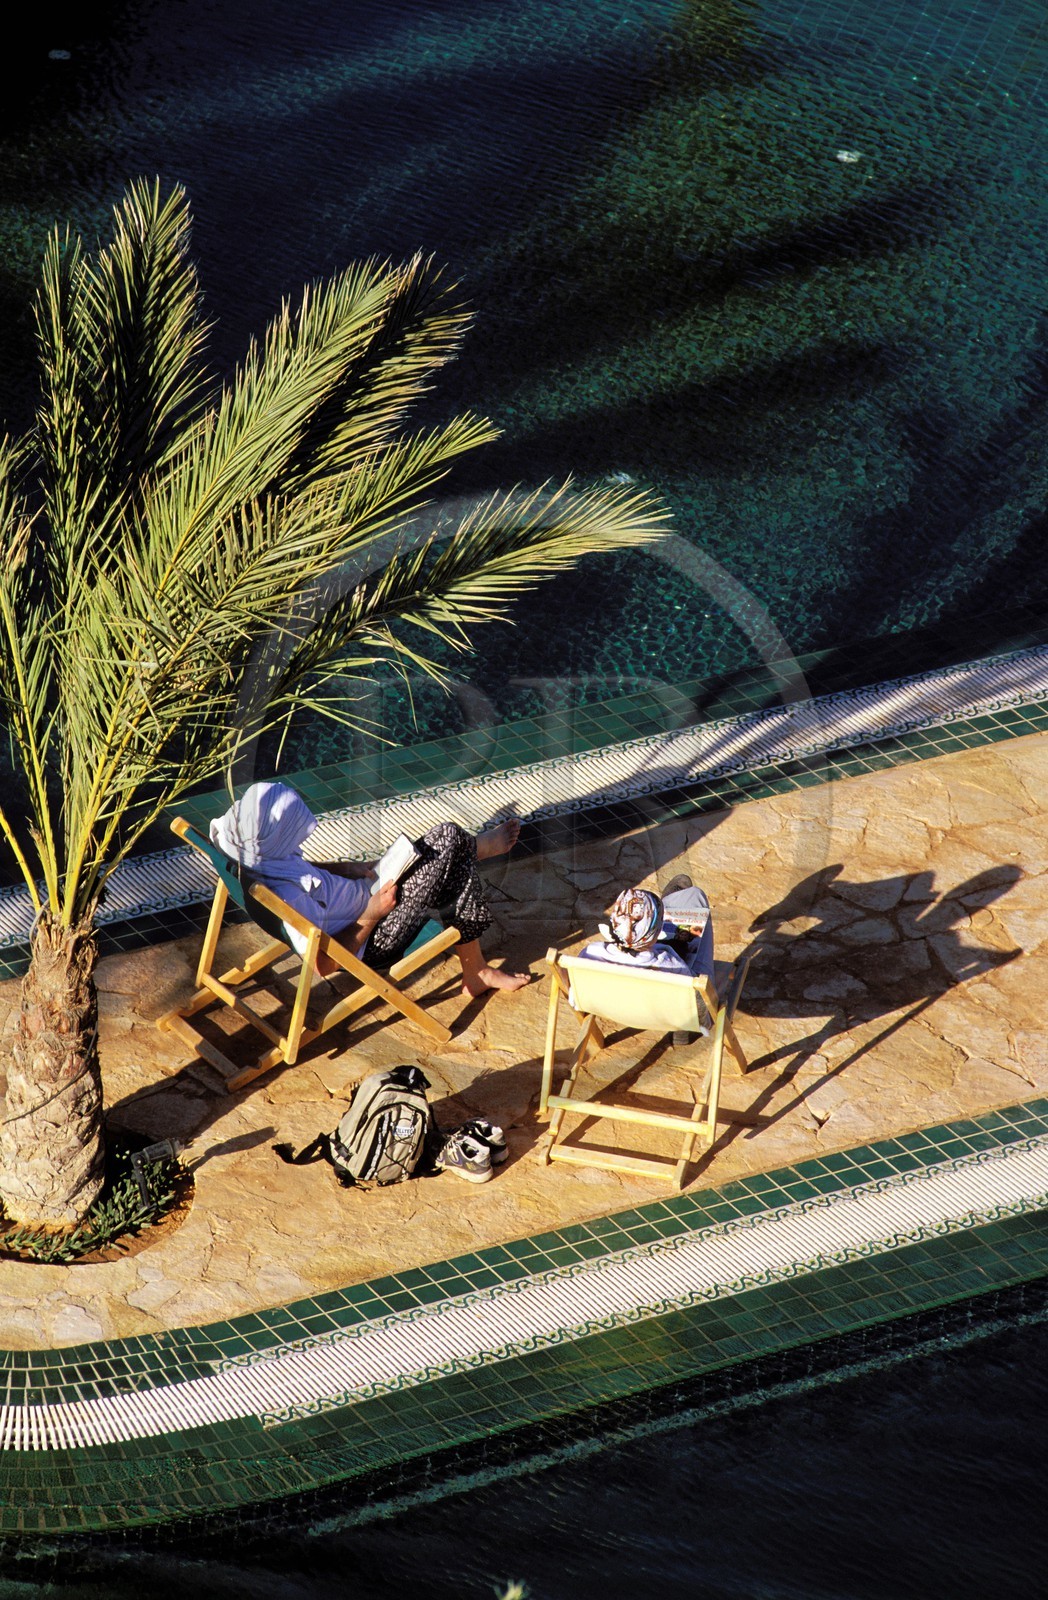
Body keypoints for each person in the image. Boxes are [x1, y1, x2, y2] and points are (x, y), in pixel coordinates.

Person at [209, 780, 530, 994]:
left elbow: (297, 868)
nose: (298, 841)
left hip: (366, 893)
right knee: (453, 852)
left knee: (451, 850)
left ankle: (477, 970)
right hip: (373, 937)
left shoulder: (242, 846)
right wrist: (371, 913)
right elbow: (323, 965)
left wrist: (344, 869)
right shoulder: (288, 899)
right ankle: (477, 969)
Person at [580, 884, 714, 984]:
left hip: (607, 1008)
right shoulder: (671, 964)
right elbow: (699, 1006)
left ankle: (665, 904)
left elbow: (573, 994)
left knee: (692, 897)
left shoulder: (591, 952)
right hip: (670, 1015)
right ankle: (667, 903)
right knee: (696, 896)